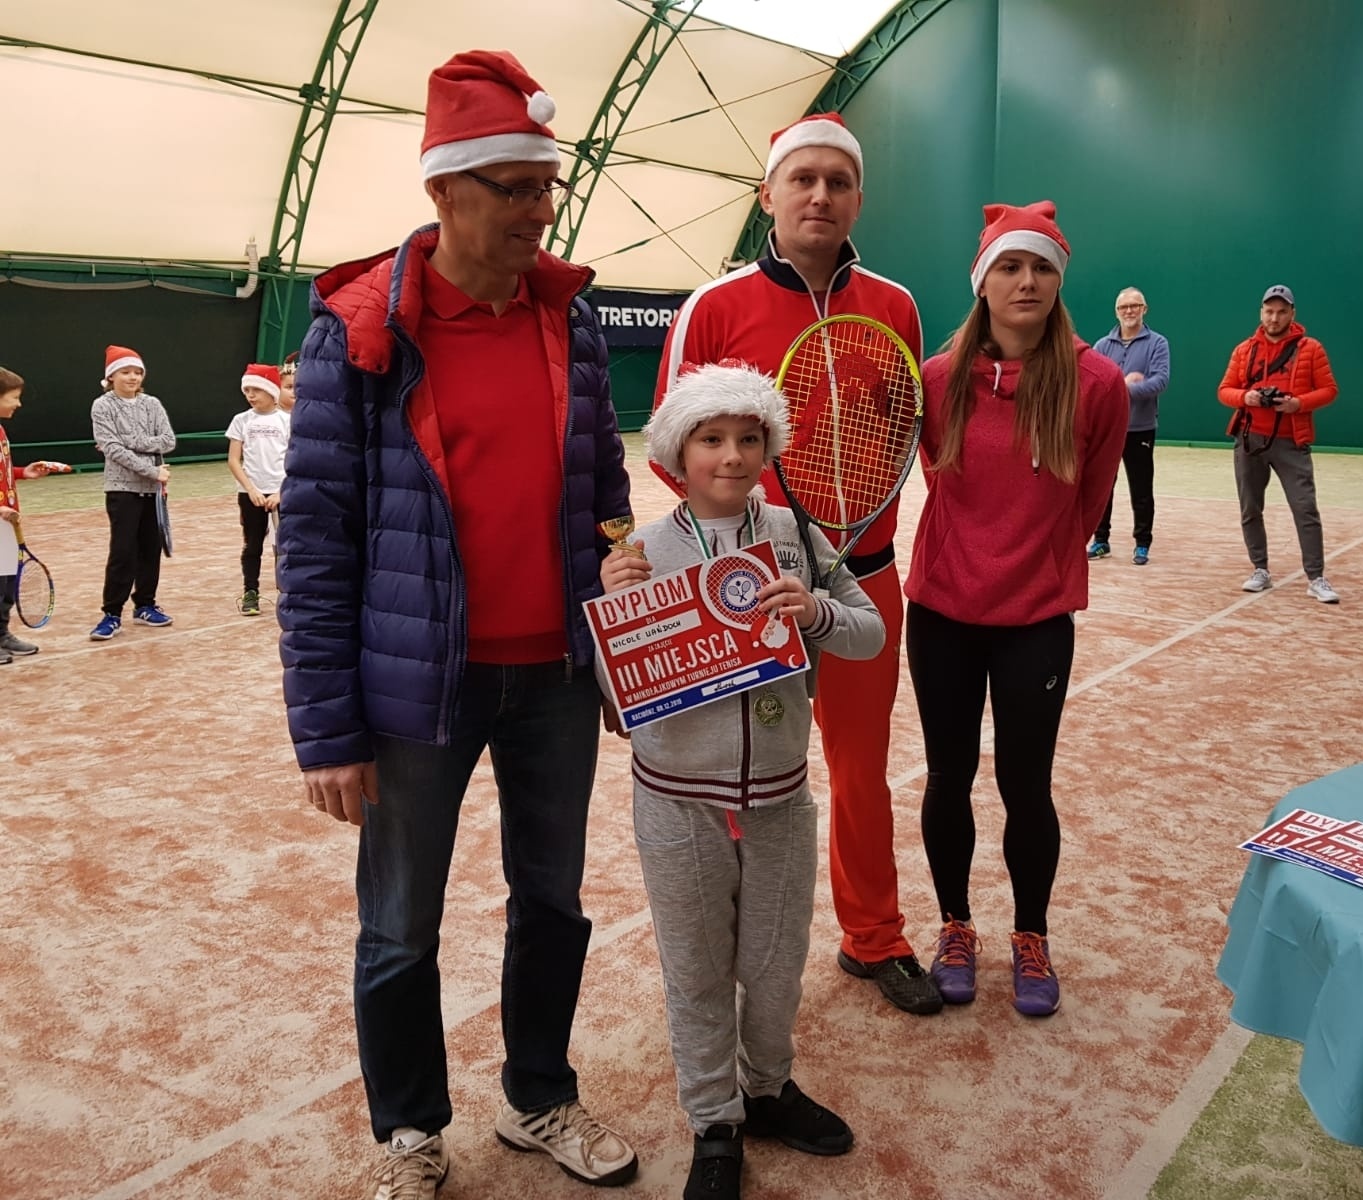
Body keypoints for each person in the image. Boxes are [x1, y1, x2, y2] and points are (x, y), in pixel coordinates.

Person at [276, 50, 636, 1200]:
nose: (540, 209)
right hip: (413, 688)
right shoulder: (359, 329)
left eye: (548, 185)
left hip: (555, 682)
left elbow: (600, 480)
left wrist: (624, 560)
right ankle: (410, 1131)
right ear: (443, 192)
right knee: (399, 926)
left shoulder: (566, 320)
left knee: (554, 903)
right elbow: (316, 534)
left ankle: (537, 1098)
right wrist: (325, 727)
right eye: (515, 187)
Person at [652, 113, 942, 1016]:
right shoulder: (716, 304)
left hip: (865, 578)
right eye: (802, 179)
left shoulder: (895, 306)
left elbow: (907, 432)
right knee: (743, 776)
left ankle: (875, 938)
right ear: (768, 194)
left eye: (839, 181)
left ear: (859, 196)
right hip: (740, 592)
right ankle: (736, 957)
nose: (820, 195)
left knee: (860, 771)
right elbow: (671, 447)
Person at [603, 362, 884, 1200]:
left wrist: (820, 612)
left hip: (779, 797)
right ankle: (714, 1120)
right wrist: (613, 609)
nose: (732, 455)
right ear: (676, 455)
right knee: (694, 970)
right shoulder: (641, 551)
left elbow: (867, 633)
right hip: (675, 796)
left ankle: (766, 1089)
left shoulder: (797, 535)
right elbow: (610, 691)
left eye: (749, 438)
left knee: (773, 962)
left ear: (770, 446)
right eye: (711, 439)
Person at [906, 201, 1127, 1016]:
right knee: (949, 775)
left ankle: (1030, 936)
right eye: (1009, 266)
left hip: (1037, 619)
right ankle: (955, 925)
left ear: (1059, 280)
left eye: (1040, 267)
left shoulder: (1096, 383)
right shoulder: (938, 378)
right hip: (942, 614)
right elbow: (937, 479)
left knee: (1024, 785)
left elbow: (1091, 496)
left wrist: (1035, 566)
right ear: (984, 282)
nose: (1025, 281)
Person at [1217, 285, 1341, 603]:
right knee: (1250, 508)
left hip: (1291, 441)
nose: (1274, 317)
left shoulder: (1310, 349)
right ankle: (1260, 569)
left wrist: (1298, 404)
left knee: (1305, 508)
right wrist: (1246, 397)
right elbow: (1224, 390)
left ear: (1292, 314)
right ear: (1261, 312)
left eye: (1281, 311)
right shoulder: (1244, 350)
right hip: (1249, 440)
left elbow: (1329, 390)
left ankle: (1316, 577)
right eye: (1269, 311)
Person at [89, 345, 176, 640]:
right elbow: (112, 450)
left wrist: (132, 441)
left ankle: (146, 606)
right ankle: (111, 613)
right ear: (111, 376)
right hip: (121, 489)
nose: (133, 377)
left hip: (152, 492)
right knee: (122, 552)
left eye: (138, 372)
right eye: (126, 372)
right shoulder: (102, 406)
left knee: (150, 550)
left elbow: (168, 441)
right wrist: (153, 470)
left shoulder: (153, 404)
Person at [1089, 287, 1169, 564]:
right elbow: (1093, 385)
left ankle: (1142, 543)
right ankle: (1100, 540)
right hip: (1106, 430)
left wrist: (1123, 389)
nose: (1129, 311)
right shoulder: (1102, 346)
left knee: (1141, 488)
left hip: (1140, 429)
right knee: (1101, 487)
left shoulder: (1158, 343)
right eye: (1124, 307)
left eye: (1135, 306)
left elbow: (1160, 381)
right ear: (1117, 312)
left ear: (1144, 309)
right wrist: (1122, 386)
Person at [0, 366, 63, 664]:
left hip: (6, 524)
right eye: (14, 397)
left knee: (6, 583)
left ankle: (2, 634)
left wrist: (23, 472)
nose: (18, 404)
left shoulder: (0, 430)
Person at [225, 363, 291, 616]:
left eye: (256, 390)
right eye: (247, 390)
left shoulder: (287, 421)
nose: (250, 395)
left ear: (271, 391)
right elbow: (233, 459)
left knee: (285, 545)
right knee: (252, 545)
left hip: (281, 493)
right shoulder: (241, 421)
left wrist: (280, 492)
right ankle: (250, 592)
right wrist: (250, 489)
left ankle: (288, 592)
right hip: (251, 495)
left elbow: (295, 460)